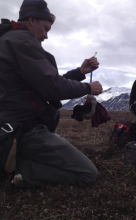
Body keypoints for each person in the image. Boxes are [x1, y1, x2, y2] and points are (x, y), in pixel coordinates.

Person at [0, 0, 103, 188]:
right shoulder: (22, 40)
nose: (46, 36)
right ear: (32, 20)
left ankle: (10, 159)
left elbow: (43, 82)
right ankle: (14, 173)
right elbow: (53, 87)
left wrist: (80, 72)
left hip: (10, 128)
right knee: (87, 174)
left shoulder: (9, 39)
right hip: (24, 130)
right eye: (45, 28)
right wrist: (89, 88)